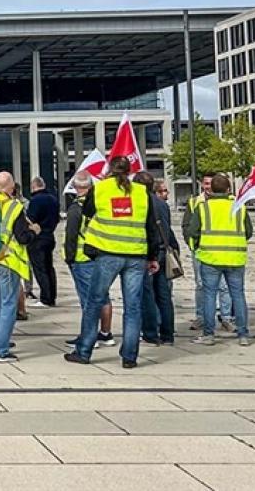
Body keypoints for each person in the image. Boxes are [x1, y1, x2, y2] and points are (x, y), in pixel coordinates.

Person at [66, 157, 162, 369]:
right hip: (136, 254)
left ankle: (84, 351)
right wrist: (153, 256)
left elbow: (87, 212)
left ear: (109, 169)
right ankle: (129, 356)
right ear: (129, 171)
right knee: (133, 307)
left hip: (108, 253)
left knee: (94, 302)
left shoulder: (100, 188)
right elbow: (151, 227)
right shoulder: (141, 192)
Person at [187, 174, 253, 346]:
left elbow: (192, 232)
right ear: (228, 189)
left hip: (210, 257)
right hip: (235, 257)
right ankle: (243, 334)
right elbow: (249, 231)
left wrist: (198, 247)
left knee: (209, 295)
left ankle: (209, 334)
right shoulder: (239, 207)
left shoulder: (203, 207)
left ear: (211, 190)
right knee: (238, 295)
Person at [0, 173, 38, 363]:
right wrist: (34, 231)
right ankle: (2, 350)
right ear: (11, 186)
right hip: (8, 260)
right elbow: (22, 237)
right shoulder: (15, 206)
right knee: (8, 304)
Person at [62, 172, 114, 348]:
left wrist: (69, 258)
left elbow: (71, 235)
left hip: (82, 258)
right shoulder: (101, 205)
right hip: (101, 255)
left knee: (87, 300)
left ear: (75, 187)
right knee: (104, 297)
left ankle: (88, 337)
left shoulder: (76, 208)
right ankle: (105, 334)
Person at [183, 173, 233, 333]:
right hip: (201, 251)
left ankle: (226, 318)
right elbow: (187, 226)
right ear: (201, 184)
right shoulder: (194, 202)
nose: (208, 187)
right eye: (206, 183)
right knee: (201, 285)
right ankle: (201, 317)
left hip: (223, 250)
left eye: (211, 183)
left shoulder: (231, 202)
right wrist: (193, 244)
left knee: (224, 286)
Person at [140, 175, 177, 346]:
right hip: (163, 250)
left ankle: (150, 332)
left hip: (150, 252)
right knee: (164, 295)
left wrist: (151, 255)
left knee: (147, 294)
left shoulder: (143, 202)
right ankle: (168, 334)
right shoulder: (162, 204)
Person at [25, 177, 59, 308]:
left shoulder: (35, 201)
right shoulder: (53, 199)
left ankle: (45, 298)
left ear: (33, 187)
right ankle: (52, 296)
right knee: (49, 268)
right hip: (50, 236)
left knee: (40, 269)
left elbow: (30, 219)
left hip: (37, 238)